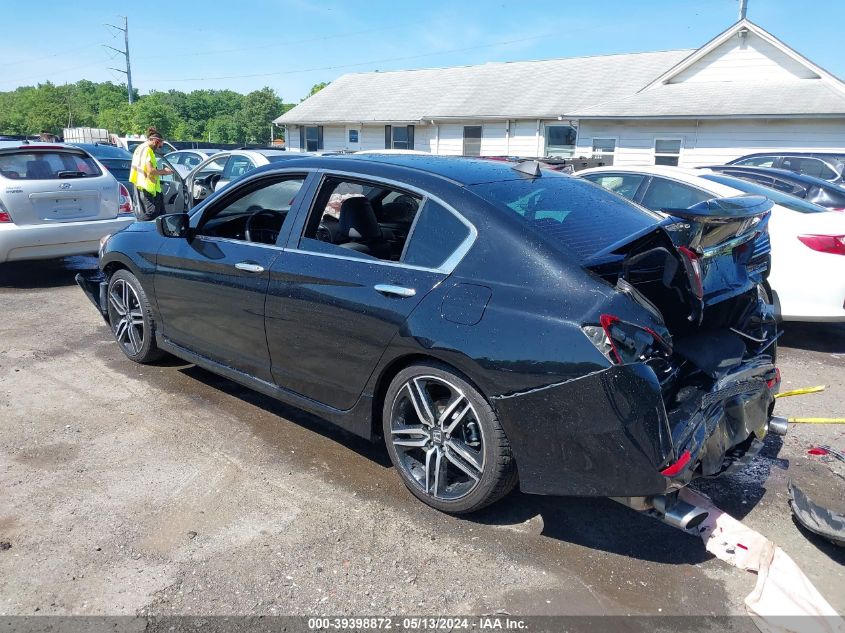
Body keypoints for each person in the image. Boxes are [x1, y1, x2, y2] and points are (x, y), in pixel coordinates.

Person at [129, 127, 174, 221]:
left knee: (161, 213)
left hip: (146, 184)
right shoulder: (147, 150)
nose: (159, 148)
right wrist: (165, 172)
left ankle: (163, 233)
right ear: (155, 141)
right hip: (147, 186)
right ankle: (139, 226)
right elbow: (151, 171)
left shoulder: (140, 148)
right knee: (152, 212)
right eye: (159, 146)